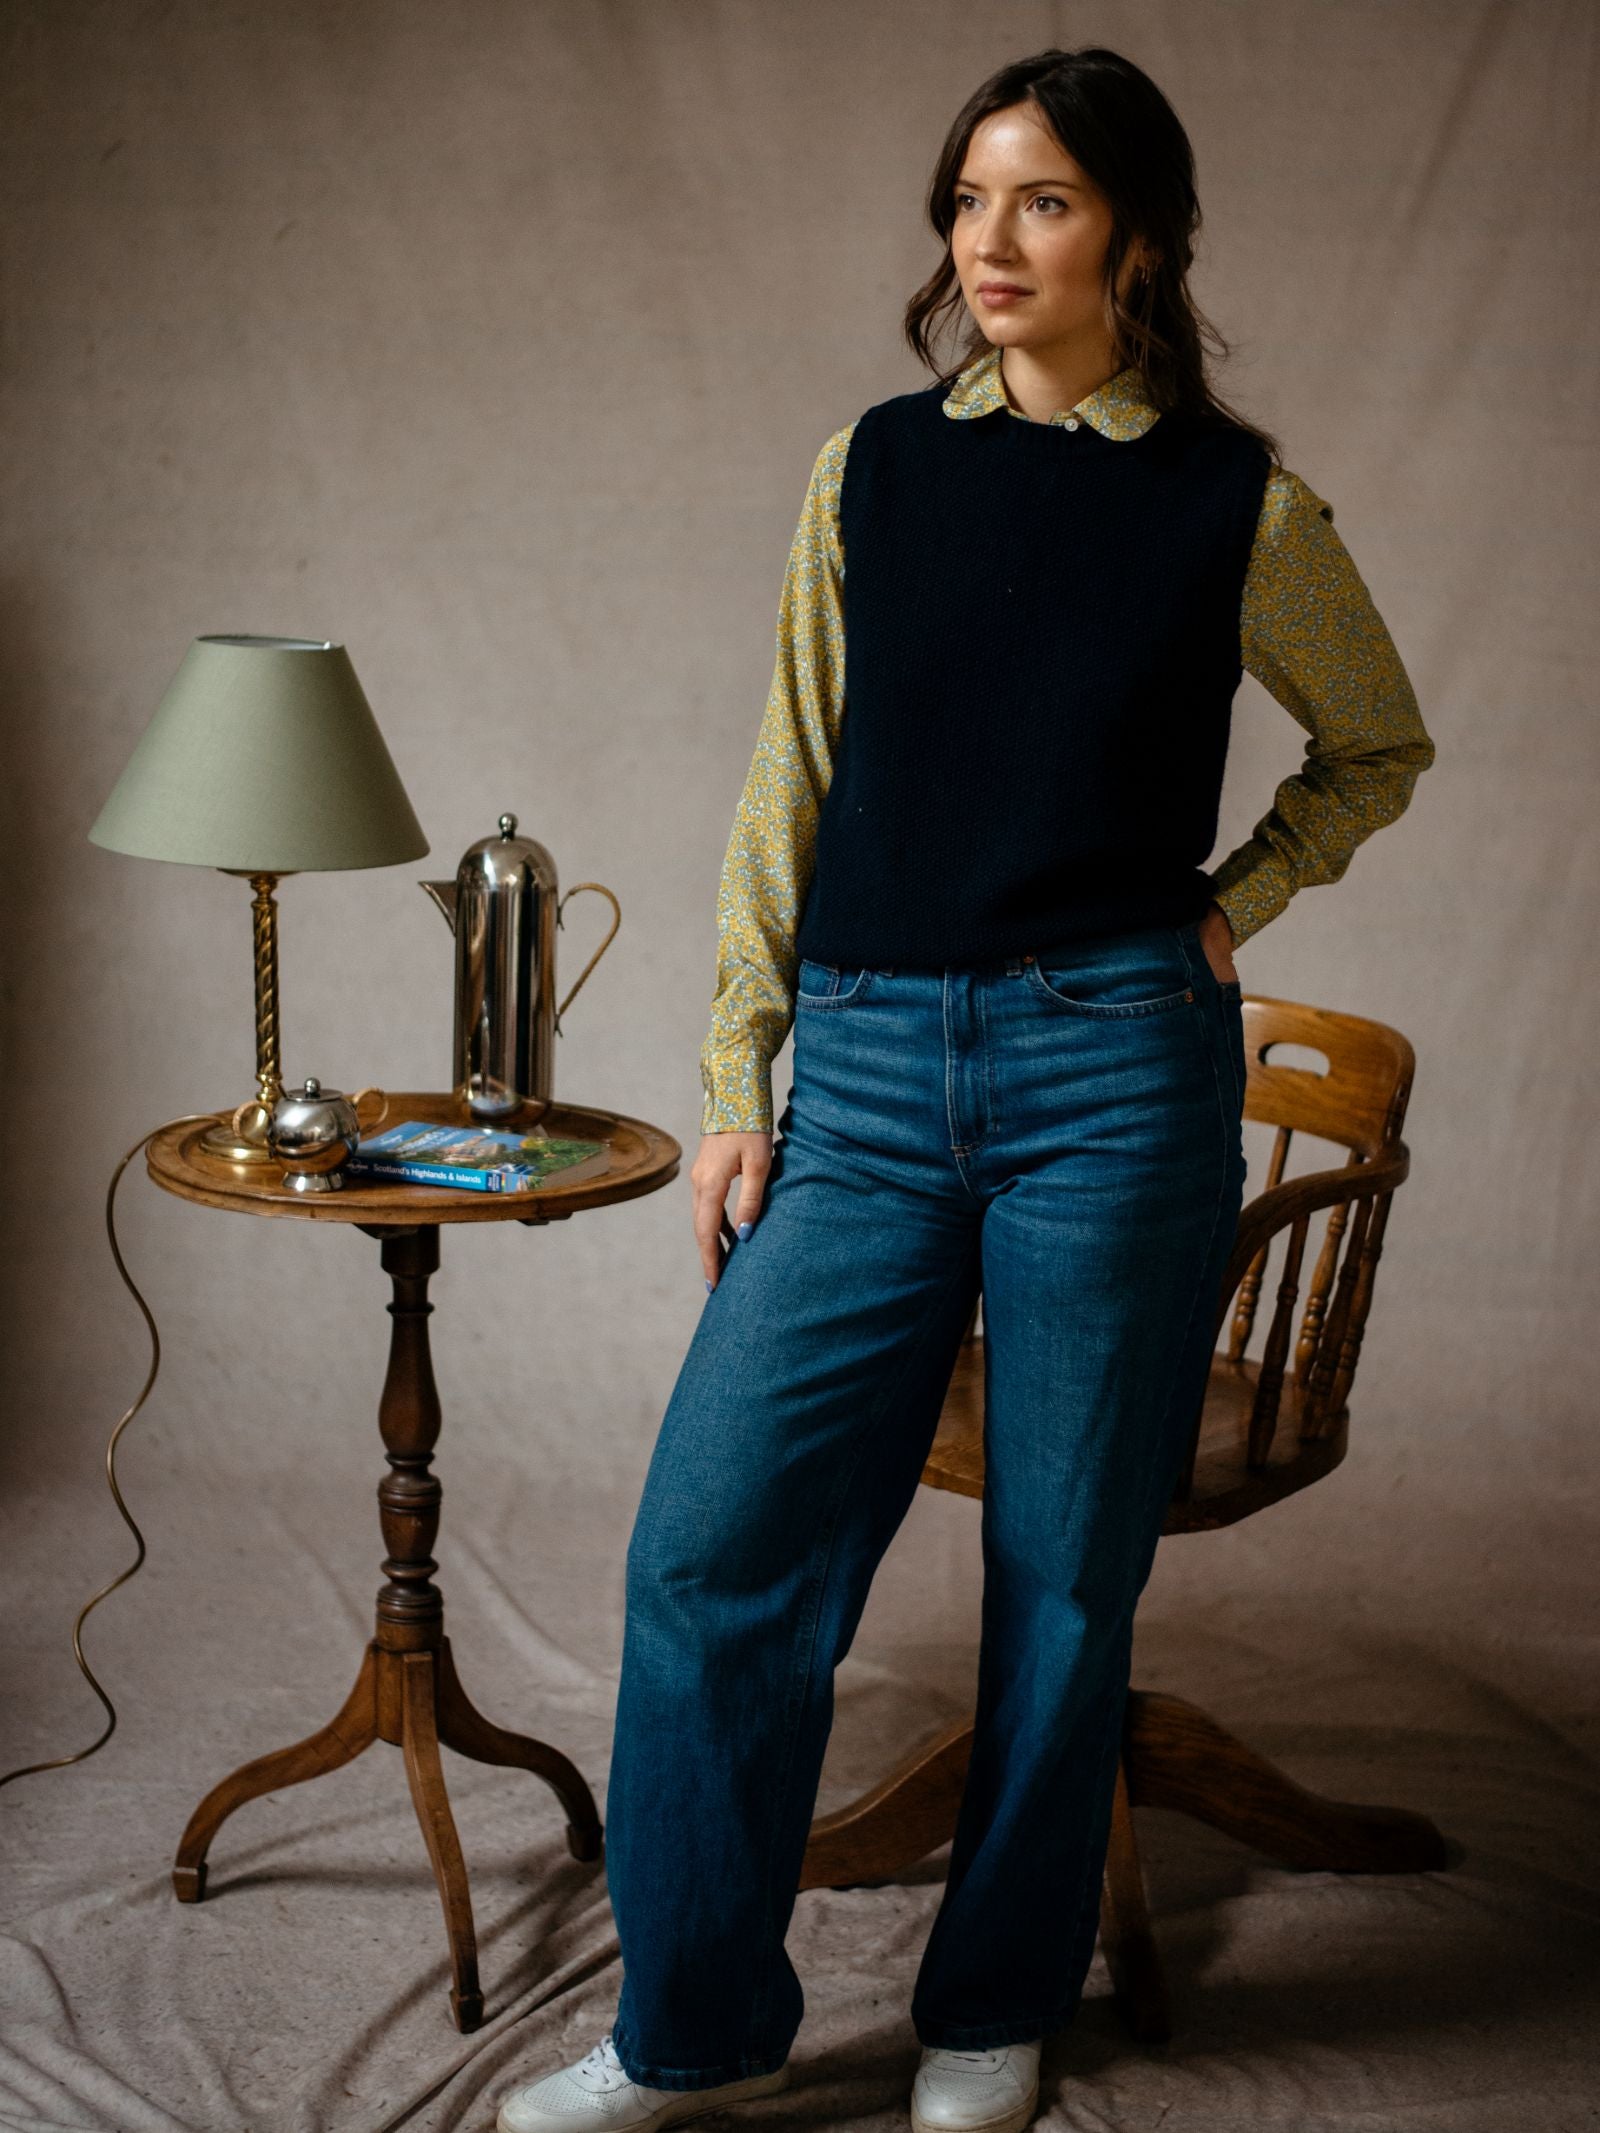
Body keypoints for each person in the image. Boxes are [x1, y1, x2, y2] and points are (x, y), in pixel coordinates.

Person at [497, 41, 1434, 2133]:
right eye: (965, 200)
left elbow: (1372, 740)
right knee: (711, 1547)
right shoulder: (869, 473)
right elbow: (786, 776)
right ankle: (691, 2026)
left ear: (1138, 239)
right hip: (867, 1072)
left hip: (1112, 1071)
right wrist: (739, 1072)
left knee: (1064, 1567)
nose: (986, 244)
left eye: (1040, 203)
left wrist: (1236, 899)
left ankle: (988, 2000)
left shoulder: (1233, 504)